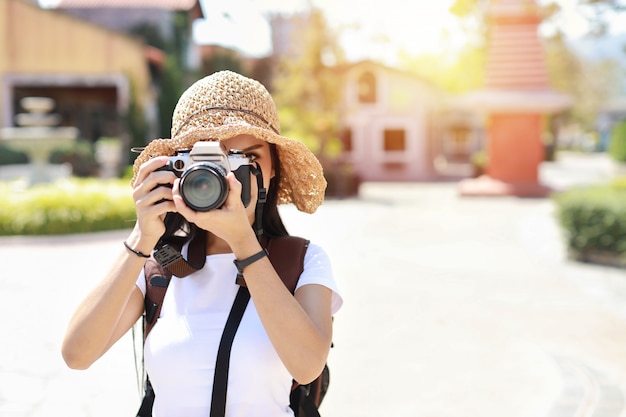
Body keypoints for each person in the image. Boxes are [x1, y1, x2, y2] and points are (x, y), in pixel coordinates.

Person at [61, 70, 343, 417]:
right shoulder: (158, 268)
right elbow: (77, 355)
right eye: (209, 161)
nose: (225, 179)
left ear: (273, 170)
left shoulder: (301, 261)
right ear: (179, 170)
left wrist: (244, 243)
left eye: (248, 159)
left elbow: (307, 365)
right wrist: (142, 237)